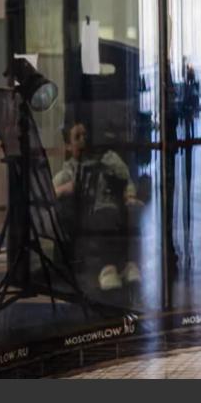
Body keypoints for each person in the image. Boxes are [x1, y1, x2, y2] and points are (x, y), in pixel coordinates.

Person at [53, 121, 143, 291]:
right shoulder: (69, 170)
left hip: (117, 208)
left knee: (128, 217)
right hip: (93, 214)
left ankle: (127, 266)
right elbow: (50, 192)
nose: (82, 141)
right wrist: (67, 188)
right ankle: (109, 267)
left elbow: (126, 179)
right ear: (68, 146)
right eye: (77, 137)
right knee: (106, 218)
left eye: (85, 136)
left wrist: (129, 196)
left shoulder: (108, 159)